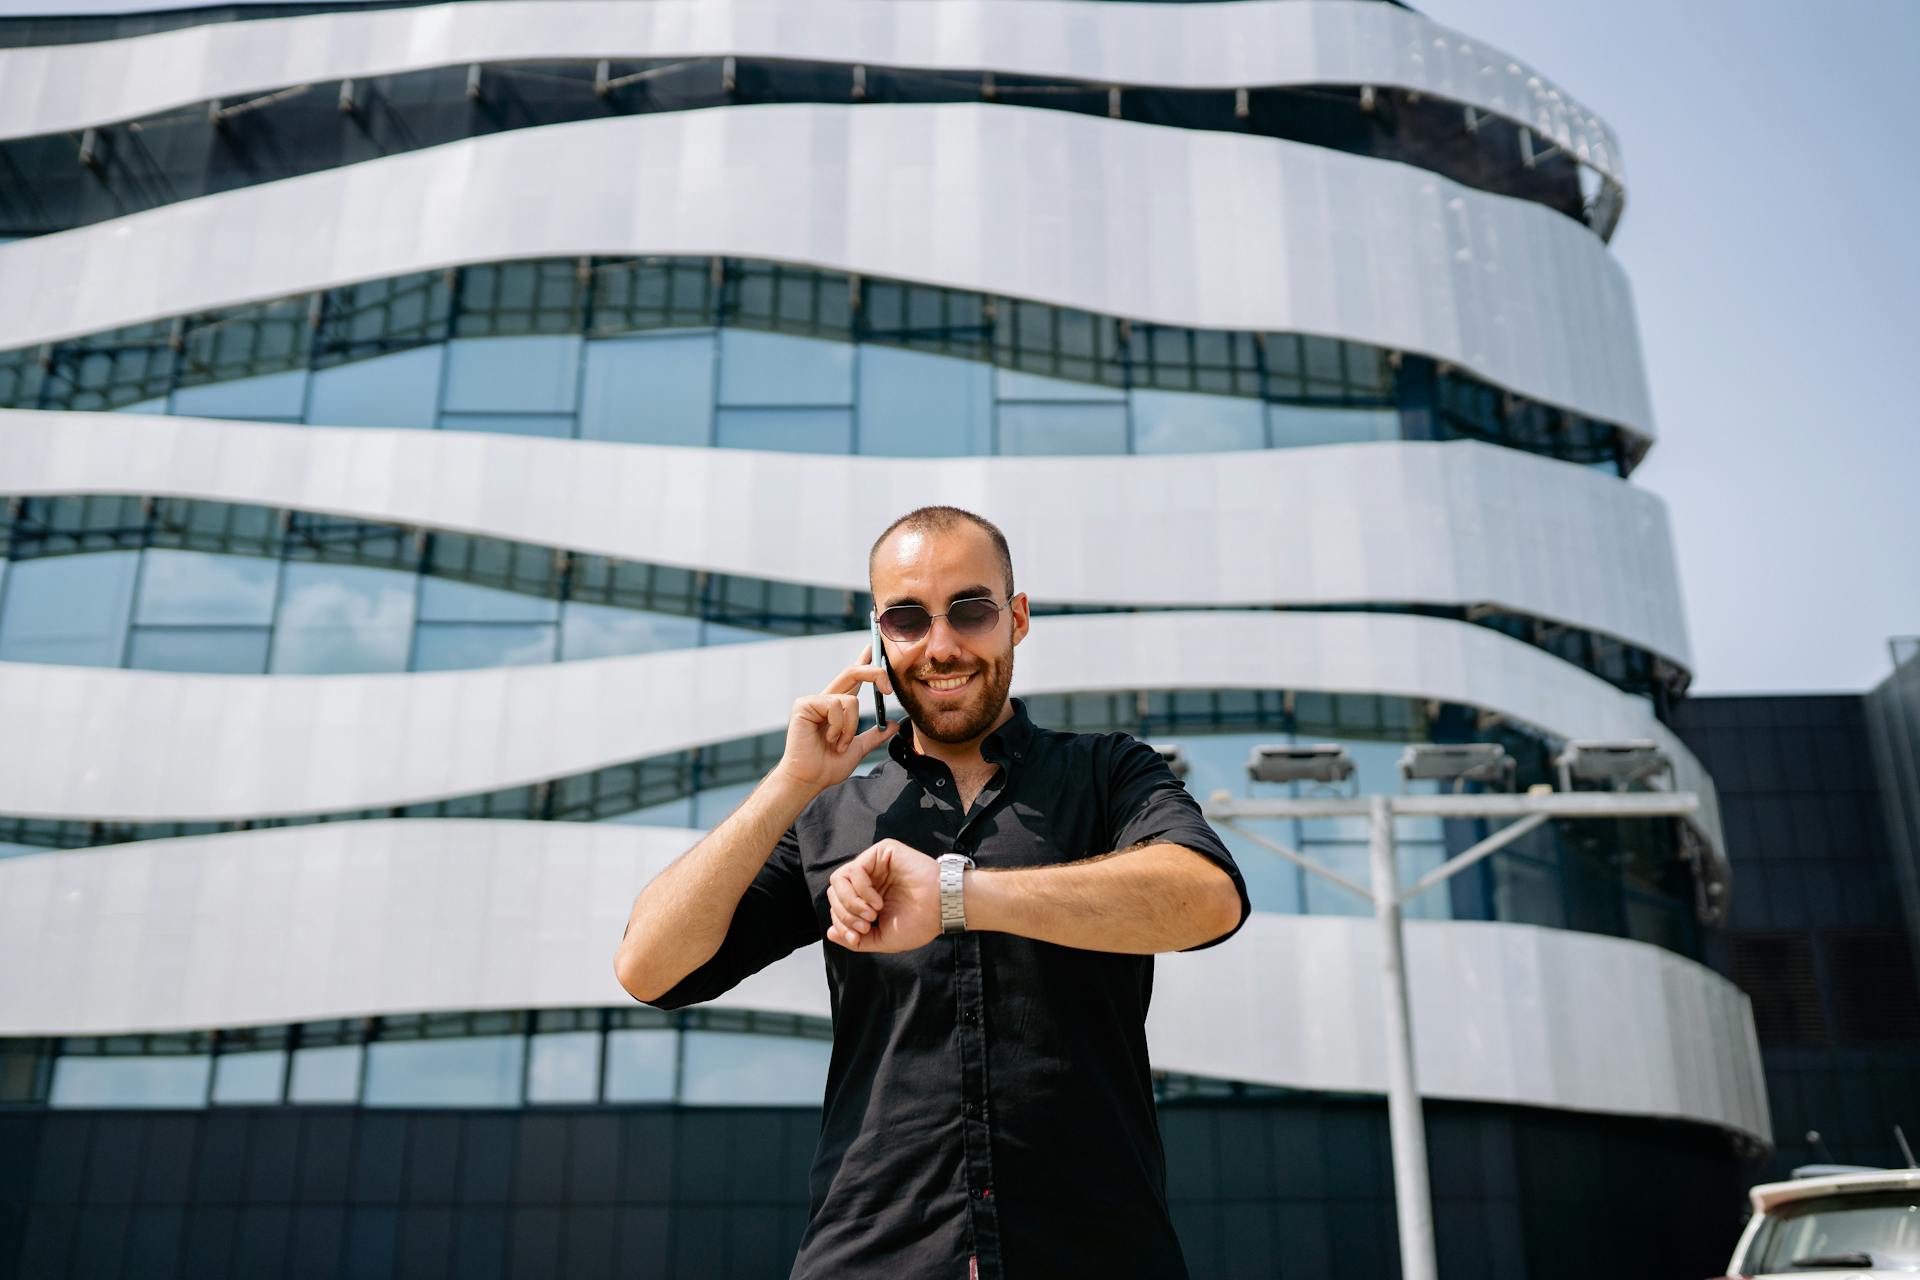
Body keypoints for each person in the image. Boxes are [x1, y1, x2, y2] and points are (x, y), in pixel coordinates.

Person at [613, 505, 1250, 1279]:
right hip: (874, 1257)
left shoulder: (1108, 771)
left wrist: (956, 896)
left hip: (1094, 1251)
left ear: (1016, 619)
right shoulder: (830, 815)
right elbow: (649, 966)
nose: (941, 646)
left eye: (971, 611)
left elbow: (1206, 897)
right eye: (908, 618)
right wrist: (792, 782)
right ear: (878, 633)